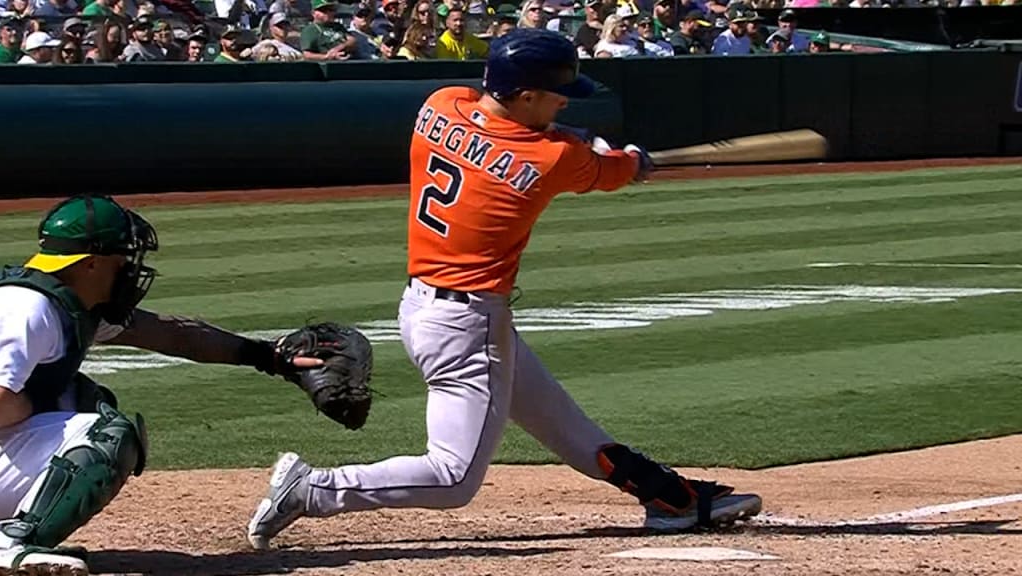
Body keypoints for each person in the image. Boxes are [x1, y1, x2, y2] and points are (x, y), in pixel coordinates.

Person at [246, 27, 762, 551]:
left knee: (564, 425)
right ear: (525, 94)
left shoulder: (441, 104)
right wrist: (634, 161)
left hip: (423, 306)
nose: (563, 98)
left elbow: (525, 130)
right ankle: (313, 488)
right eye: (555, 92)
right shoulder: (552, 157)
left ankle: (668, 497)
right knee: (452, 476)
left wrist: (582, 138)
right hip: (468, 323)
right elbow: (607, 169)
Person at [0, 195, 321, 575]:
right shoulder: (26, 308)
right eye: (122, 260)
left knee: (88, 400)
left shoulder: (75, 305)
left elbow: (174, 335)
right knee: (107, 434)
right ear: (90, 265)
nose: (131, 272)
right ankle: (8, 544)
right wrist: (30, 406)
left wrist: (270, 357)